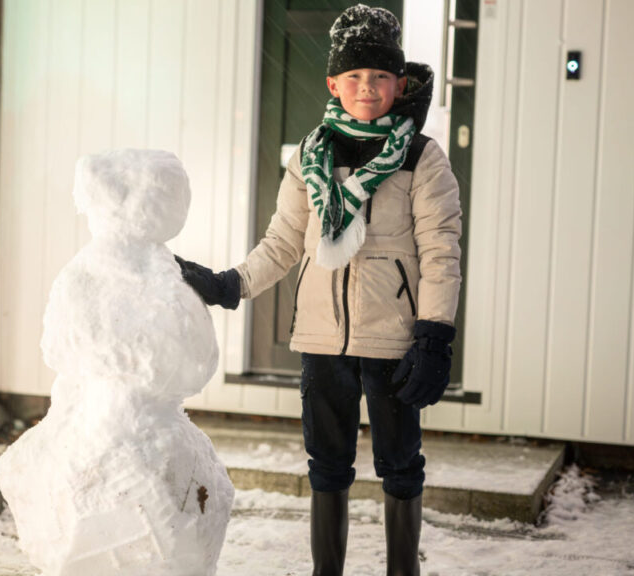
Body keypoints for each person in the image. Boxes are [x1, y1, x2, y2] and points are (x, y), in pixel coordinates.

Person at [176, 5, 461, 576]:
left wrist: (433, 336)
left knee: (400, 466)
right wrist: (232, 285)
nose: (367, 88)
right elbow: (284, 242)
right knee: (327, 468)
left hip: (394, 344)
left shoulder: (420, 156)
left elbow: (440, 251)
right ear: (333, 83)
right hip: (322, 343)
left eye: (380, 77)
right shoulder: (312, 155)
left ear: (399, 83)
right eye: (353, 77)